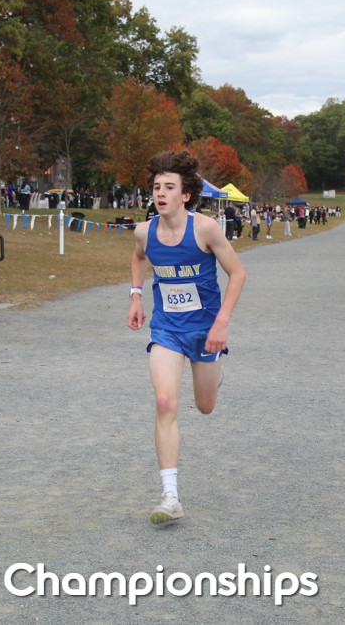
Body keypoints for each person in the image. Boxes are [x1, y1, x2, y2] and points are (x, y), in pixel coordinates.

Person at [127, 150, 246, 525]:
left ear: (186, 195)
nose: (160, 193)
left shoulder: (205, 229)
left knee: (205, 406)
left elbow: (238, 273)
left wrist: (221, 324)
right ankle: (170, 495)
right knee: (165, 403)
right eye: (156, 187)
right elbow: (139, 257)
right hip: (167, 329)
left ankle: (215, 370)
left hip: (207, 332)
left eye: (169, 187)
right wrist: (135, 295)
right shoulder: (145, 231)